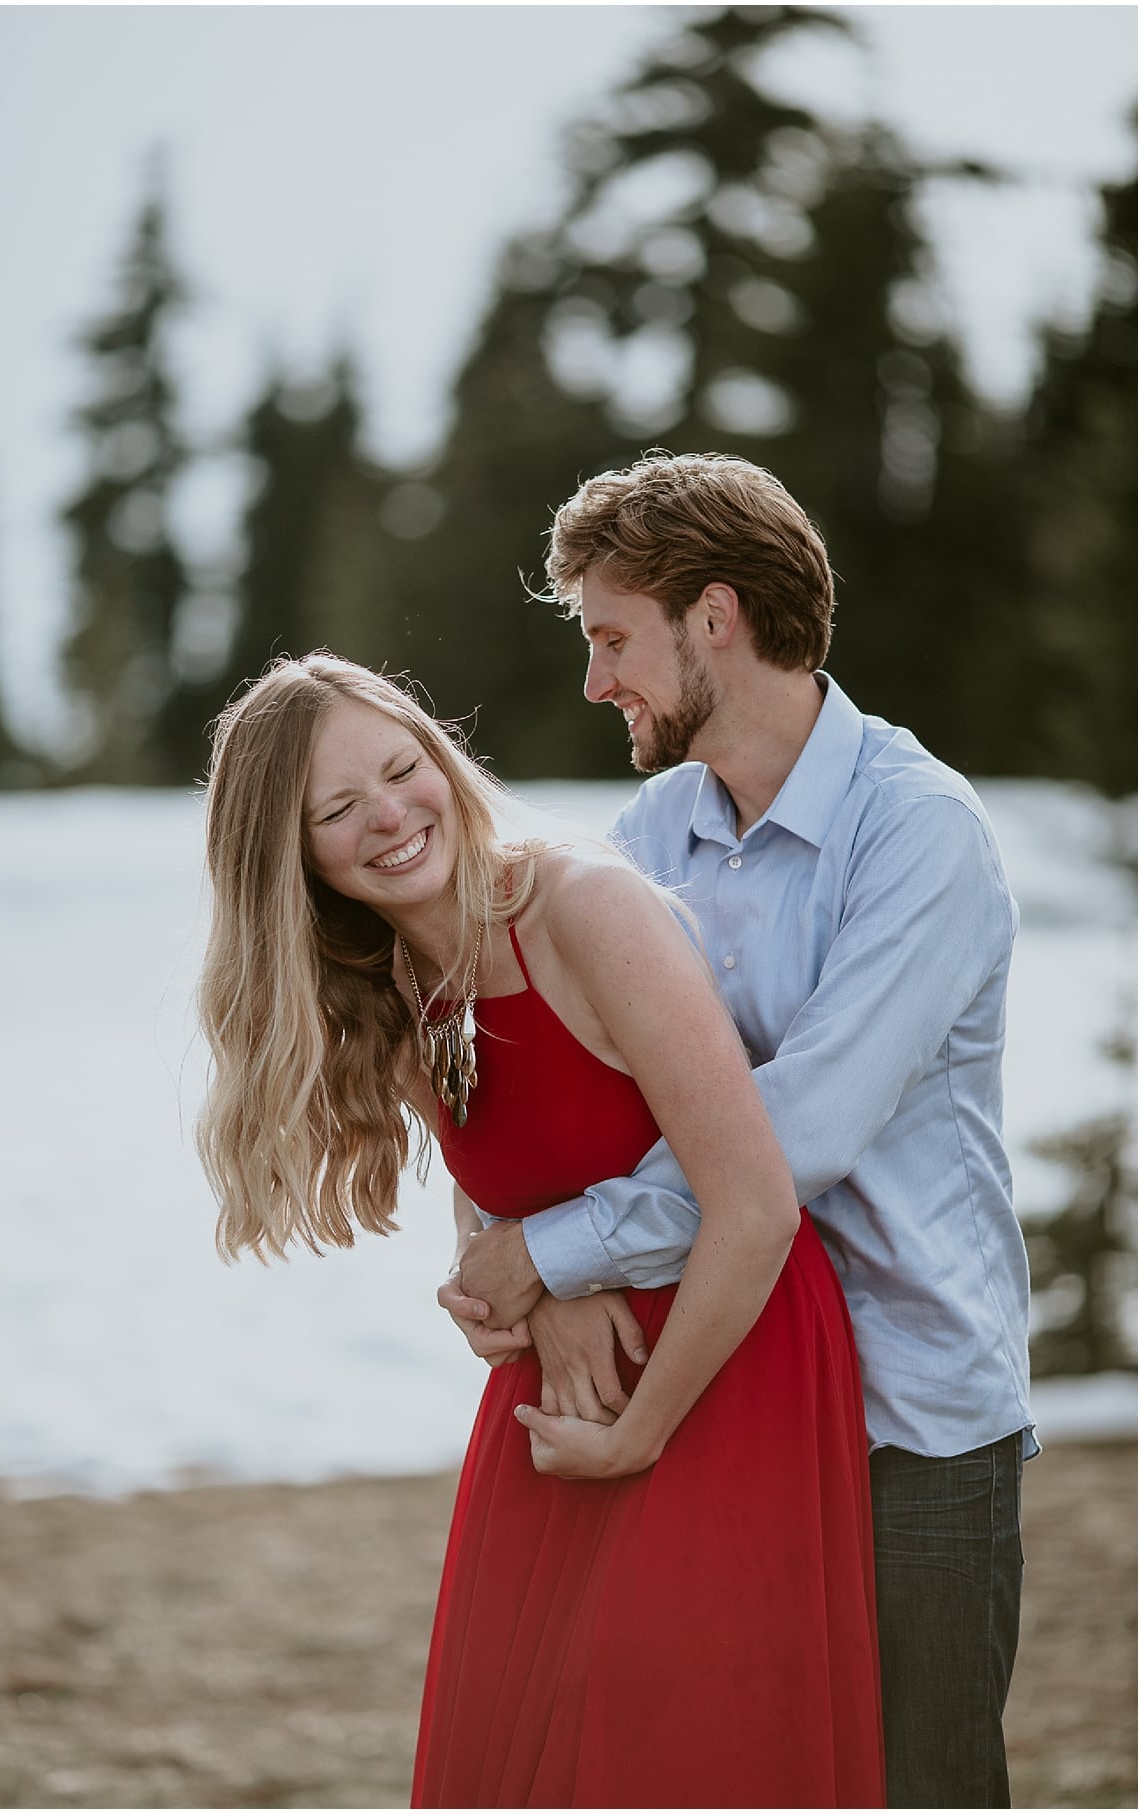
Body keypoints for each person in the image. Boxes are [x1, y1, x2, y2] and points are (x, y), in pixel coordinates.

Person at [442, 452, 1030, 1808]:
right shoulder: (653, 831)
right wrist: (520, 1259)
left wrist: (561, 1249)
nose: (596, 684)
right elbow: (542, 1060)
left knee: (924, 1784)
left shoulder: (919, 832)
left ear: (716, 618)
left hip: (910, 1414)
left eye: (611, 639)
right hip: (731, 1390)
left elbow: (789, 1133)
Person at [197, 653, 883, 1806]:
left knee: (673, 1737)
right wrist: (523, 1296)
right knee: (517, 1753)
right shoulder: (393, 984)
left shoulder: (580, 905)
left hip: (722, 1361)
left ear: (441, 758)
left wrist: (639, 1428)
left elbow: (757, 1203)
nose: (389, 815)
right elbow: (501, 1210)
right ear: (291, 856)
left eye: (403, 768)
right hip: (558, 1389)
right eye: (335, 807)